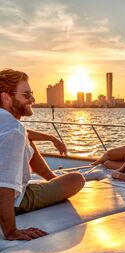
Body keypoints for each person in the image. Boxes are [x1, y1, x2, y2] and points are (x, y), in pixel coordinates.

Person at [0, 69, 85, 241]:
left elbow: (24, 134)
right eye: (27, 95)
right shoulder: (14, 130)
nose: (32, 99)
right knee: (76, 180)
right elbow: (4, 185)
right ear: (6, 98)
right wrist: (11, 231)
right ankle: (52, 180)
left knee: (27, 139)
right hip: (12, 201)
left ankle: (50, 178)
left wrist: (51, 137)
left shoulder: (8, 124)